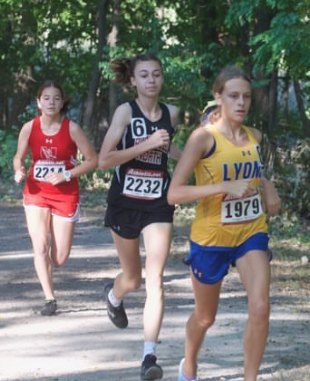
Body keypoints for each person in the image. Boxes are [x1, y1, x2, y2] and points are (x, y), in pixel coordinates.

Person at [167, 66, 281, 381]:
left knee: (260, 308)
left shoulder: (255, 136)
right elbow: (174, 193)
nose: (241, 102)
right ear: (218, 97)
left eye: (246, 96)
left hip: (250, 232)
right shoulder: (203, 138)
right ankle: (189, 364)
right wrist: (221, 188)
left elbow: (254, 173)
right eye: (233, 96)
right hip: (211, 237)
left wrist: (267, 186)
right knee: (206, 317)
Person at [98, 53, 181, 380]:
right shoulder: (125, 112)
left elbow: (173, 150)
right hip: (124, 204)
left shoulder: (172, 114)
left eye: (156, 74)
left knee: (155, 278)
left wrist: (200, 154)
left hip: (158, 204)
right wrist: (145, 144)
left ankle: (149, 357)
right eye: (144, 75)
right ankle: (113, 295)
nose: (151, 80)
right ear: (133, 81)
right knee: (132, 279)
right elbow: (105, 159)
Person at [13, 80, 98, 316]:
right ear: (39, 102)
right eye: (46, 98)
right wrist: (18, 170)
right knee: (40, 246)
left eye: (56, 98)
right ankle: (49, 298)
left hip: (65, 194)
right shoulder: (30, 127)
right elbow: (18, 157)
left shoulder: (72, 129)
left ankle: (49, 265)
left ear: (62, 103)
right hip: (36, 192)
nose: (51, 102)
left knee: (59, 258)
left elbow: (93, 161)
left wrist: (66, 174)